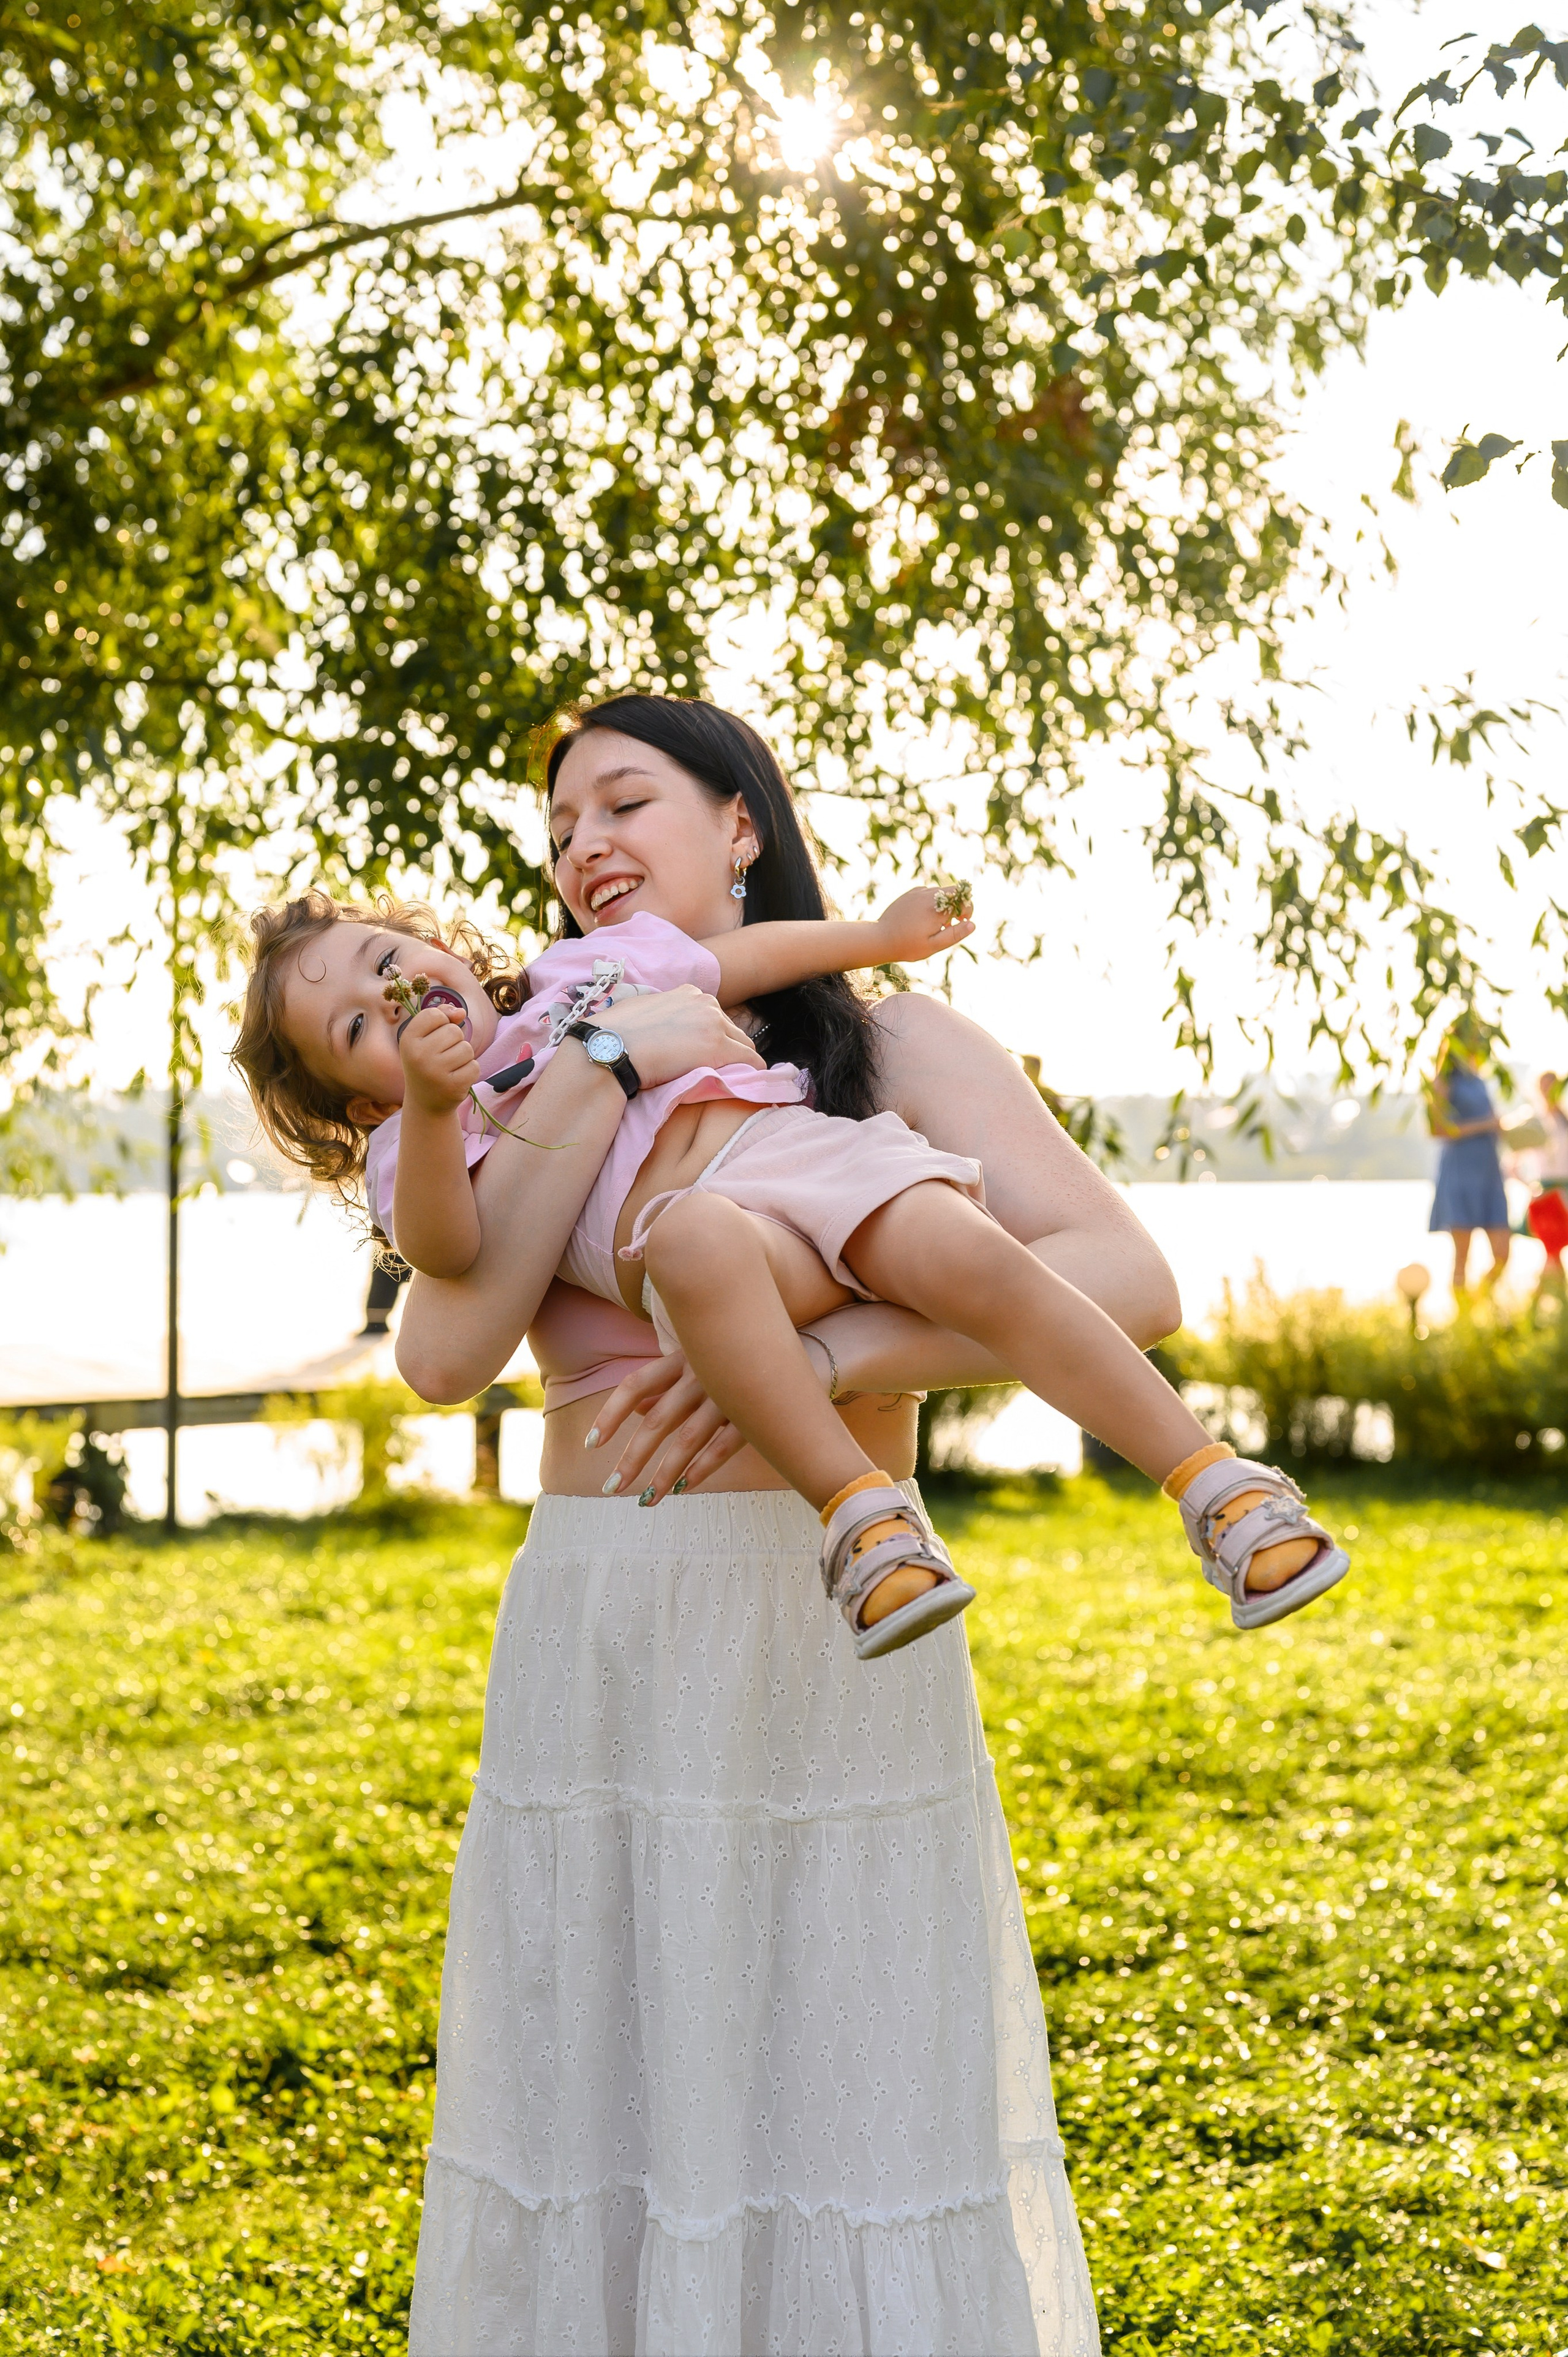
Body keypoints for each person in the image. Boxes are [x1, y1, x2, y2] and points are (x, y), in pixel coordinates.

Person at [236, 697, 1322, 2354]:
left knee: (850, 2076)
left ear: (741, 823)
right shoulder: (543, 1047)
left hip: (834, 1605)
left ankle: (1216, 1496)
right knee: (619, 2087)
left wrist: (804, 1359)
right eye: (558, 828)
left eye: (625, 800)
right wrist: (600, 1069)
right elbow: (449, 1346)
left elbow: (1127, 1283)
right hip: (615, 1616)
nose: (585, 842)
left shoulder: (894, 1046)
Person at [235, 848, 1346, 1657]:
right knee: (693, 1239)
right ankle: (862, 1518)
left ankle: (1218, 1487)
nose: (395, 997)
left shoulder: (582, 972)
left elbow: (740, 957)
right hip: (705, 1244)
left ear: (435, 939)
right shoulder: (426, 1134)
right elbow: (445, 1246)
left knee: (975, 1257)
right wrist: (432, 1106)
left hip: (800, 1153)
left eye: (386, 958)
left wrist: (879, 936)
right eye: (359, 1028)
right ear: (355, 1096)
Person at [1427, 1020, 1510, 1295]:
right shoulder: (1444, 1080)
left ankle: (1479, 1304)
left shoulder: (1479, 1078)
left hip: (1489, 1171)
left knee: (1502, 1253)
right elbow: (1437, 1130)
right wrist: (1485, 1125)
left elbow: (1491, 1123)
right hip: (1461, 1172)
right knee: (1462, 1258)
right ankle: (1464, 1319)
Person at [1525, 1069, 1568, 1300]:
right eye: (1545, 1086)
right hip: (1544, 1194)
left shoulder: (1565, 1120)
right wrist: (1530, 1187)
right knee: (1553, 1249)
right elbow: (1513, 1163)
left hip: (1565, 1191)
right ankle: (1547, 1305)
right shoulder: (1532, 1121)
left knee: (1554, 1250)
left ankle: (1541, 1305)